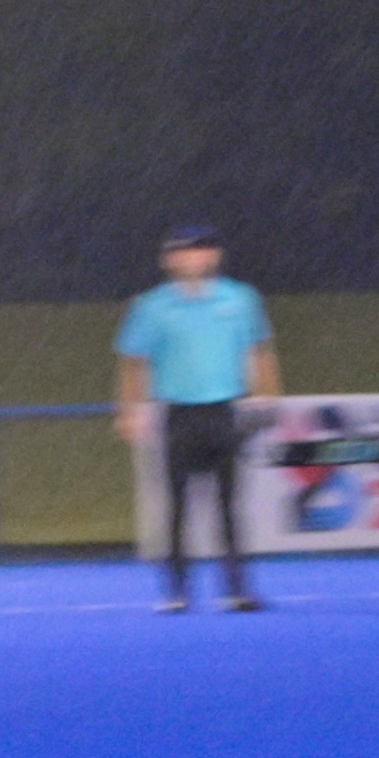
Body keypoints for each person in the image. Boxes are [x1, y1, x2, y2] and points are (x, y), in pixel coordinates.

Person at [116, 226, 284, 613]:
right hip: (178, 414)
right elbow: (133, 362)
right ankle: (177, 591)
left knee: (230, 505)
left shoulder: (240, 299)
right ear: (169, 260)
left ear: (214, 256)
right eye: (181, 253)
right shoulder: (152, 306)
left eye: (199, 251)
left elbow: (260, 350)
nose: (191, 259)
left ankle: (237, 589)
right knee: (176, 507)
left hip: (225, 412)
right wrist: (129, 411)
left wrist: (269, 396)